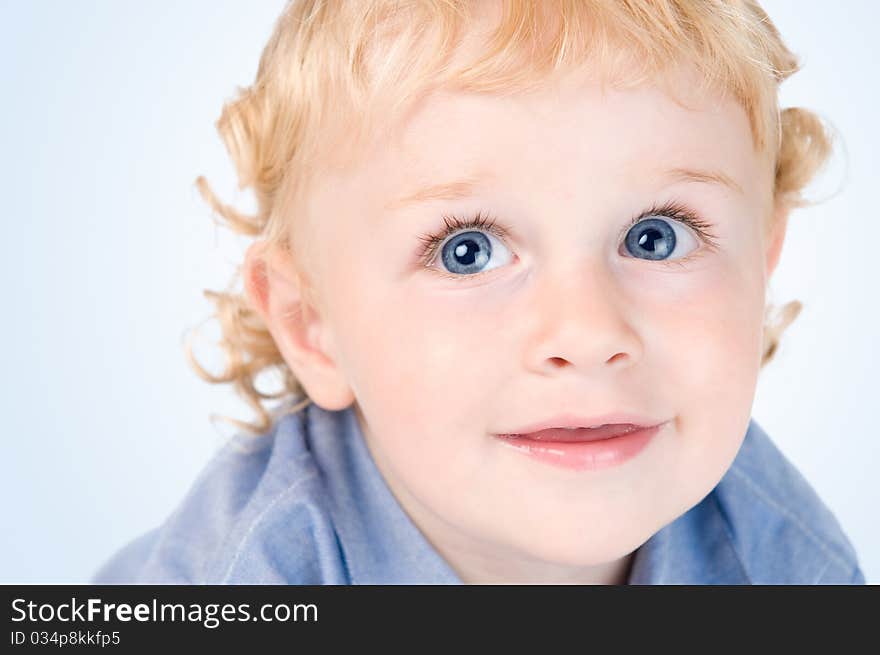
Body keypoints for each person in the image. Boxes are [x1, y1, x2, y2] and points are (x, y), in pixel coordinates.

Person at [92, 0, 865, 584]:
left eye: (656, 235)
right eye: (468, 251)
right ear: (311, 321)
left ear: (762, 261)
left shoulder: (782, 554)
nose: (588, 331)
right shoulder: (248, 577)